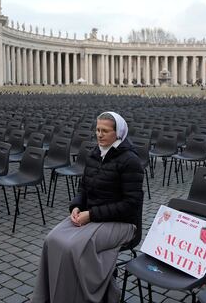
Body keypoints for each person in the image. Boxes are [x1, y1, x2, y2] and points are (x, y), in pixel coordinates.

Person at [31, 112, 144, 303]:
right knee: (51, 240)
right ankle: (48, 297)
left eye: (105, 131)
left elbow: (130, 205)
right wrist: (76, 206)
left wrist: (91, 215)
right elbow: (83, 188)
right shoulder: (94, 154)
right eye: (97, 130)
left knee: (72, 248)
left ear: (118, 133)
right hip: (91, 215)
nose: (99, 134)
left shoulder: (130, 161)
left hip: (122, 224)